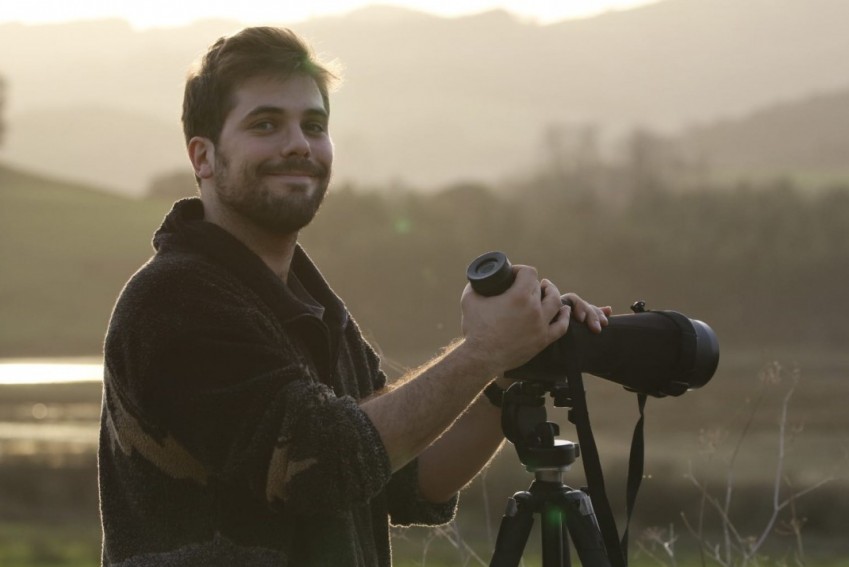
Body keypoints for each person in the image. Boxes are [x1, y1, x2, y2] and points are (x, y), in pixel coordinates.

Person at [98, 26, 611, 566]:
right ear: (203, 157)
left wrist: (509, 370)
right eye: (266, 124)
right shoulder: (175, 300)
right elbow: (323, 465)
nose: (298, 143)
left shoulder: (311, 308)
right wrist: (481, 351)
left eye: (313, 125)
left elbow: (412, 480)